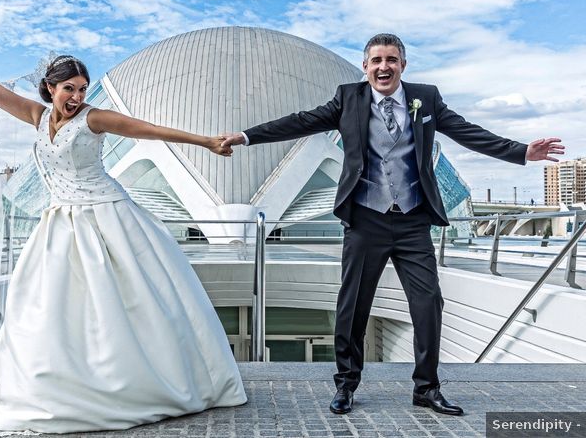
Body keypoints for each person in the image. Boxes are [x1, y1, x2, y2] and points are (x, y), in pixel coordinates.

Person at [0, 28, 246, 435]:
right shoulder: (35, 118)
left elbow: (147, 129)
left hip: (107, 217)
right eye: (68, 88)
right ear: (49, 89)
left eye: (83, 89)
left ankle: (129, 383)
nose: (76, 96)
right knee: (47, 307)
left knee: (123, 304)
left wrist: (205, 142)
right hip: (58, 223)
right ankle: (52, 385)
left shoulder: (95, 118)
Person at [221, 33, 563, 416]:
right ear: (366, 66)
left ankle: (426, 388)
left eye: (392, 60)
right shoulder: (348, 98)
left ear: (403, 64)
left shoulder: (425, 99)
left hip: (413, 221)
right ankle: (346, 385)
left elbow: (466, 131)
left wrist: (519, 151)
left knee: (429, 302)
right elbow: (300, 122)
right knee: (353, 305)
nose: (384, 67)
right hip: (366, 219)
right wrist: (248, 136)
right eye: (377, 61)